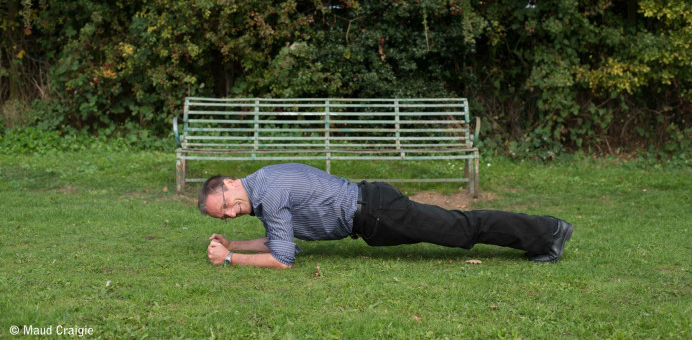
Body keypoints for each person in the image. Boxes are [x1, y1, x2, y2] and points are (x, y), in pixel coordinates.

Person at [199, 163, 573, 269]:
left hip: (377, 213)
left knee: (460, 229)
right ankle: (545, 233)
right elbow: (279, 239)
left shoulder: (271, 193)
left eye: (228, 203)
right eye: (225, 218)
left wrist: (231, 258)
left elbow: (283, 257)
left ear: (230, 182)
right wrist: (234, 243)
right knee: (457, 227)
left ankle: (548, 233)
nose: (233, 213)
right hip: (372, 210)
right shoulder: (263, 184)